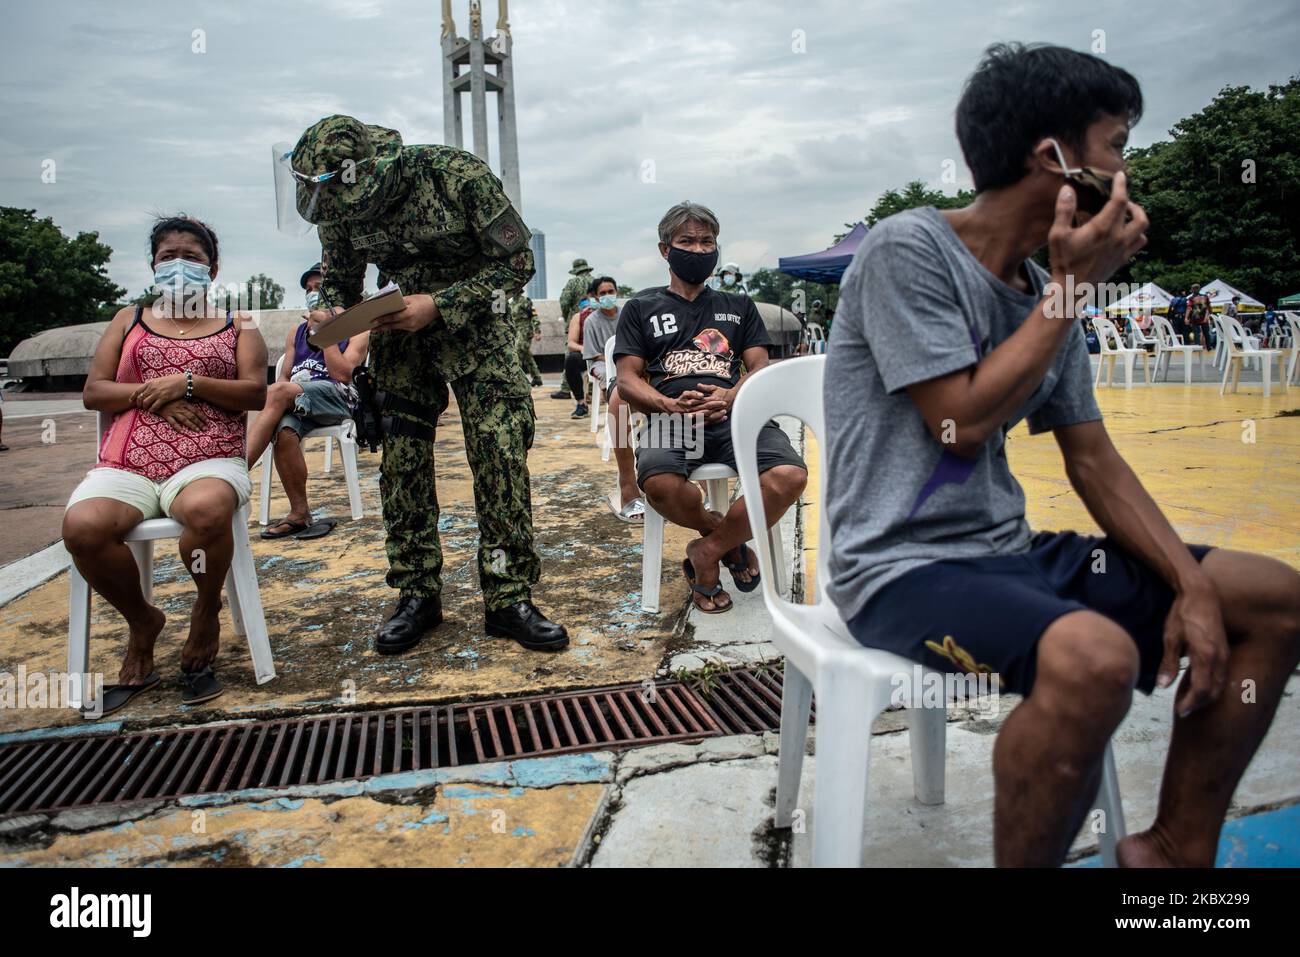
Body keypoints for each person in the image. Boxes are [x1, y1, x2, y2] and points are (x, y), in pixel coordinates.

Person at [823, 42, 1300, 868]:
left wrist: (1189, 585)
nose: (1125, 170)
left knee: (1272, 598)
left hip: (1010, 553)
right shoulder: (908, 250)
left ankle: (1175, 849)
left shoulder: (1043, 282)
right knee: (1096, 657)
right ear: (1055, 157)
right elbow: (960, 424)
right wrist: (1071, 292)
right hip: (897, 566)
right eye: (1115, 146)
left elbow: (1093, 460)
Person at [292, 114, 568, 654]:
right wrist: (330, 313)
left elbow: (515, 263)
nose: (350, 217)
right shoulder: (335, 202)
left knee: (500, 455)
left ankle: (509, 597)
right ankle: (417, 594)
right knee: (401, 465)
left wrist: (441, 304)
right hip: (399, 330)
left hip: (477, 330)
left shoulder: (455, 175)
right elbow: (343, 282)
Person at [62, 215, 268, 715]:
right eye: (167, 257)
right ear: (153, 266)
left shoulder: (240, 324)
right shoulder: (128, 319)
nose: (179, 266)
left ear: (213, 268)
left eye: (191, 257)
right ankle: (142, 622)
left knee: (205, 512)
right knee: (83, 527)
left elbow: (255, 392)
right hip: (128, 460)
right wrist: (156, 394)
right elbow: (95, 391)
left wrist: (190, 383)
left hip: (207, 457)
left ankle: (204, 610)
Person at [615, 201, 808, 613]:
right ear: (666, 250)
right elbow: (627, 380)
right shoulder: (640, 308)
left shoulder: (738, 306)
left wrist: (731, 395)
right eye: (687, 241)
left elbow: (758, 366)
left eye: (708, 242)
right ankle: (724, 538)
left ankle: (708, 551)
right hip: (672, 419)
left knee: (789, 476)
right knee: (662, 485)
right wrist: (669, 405)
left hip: (734, 414)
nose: (699, 250)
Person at [245, 261, 369, 540]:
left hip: (338, 395)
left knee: (277, 393)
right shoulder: (296, 332)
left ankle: (236, 474)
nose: (313, 293)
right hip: (298, 398)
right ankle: (299, 514)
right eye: (308, 289)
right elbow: (284, 376)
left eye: (319, 287)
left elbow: (343, 374)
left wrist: (326, 333)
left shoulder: (359, 327)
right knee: (285, 432)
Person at [581, 276, 643, 522]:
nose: (608, 295)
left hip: (629, 361)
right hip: (602, 363)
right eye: (603, 292)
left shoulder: (627, 314)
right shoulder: (591, 322)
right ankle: (628, 484)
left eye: (611, 290)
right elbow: (592, 353)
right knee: (615, 384)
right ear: (596, 297)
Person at [553, 258, 594, 399]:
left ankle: (566, 388)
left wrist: (567, 317)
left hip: (577, 320)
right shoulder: (595, 282)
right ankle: (592, 390)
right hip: (594, 320)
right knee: (594, 353)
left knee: (570, 355)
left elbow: (564, 301)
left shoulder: (573, 283)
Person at [564, 281, 596, 418]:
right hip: (588, 355)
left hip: (611, 356)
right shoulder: (580, 317)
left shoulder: (617, 315)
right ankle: (581, 403)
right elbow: (571, 344)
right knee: (571, 360)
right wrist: (585, 349)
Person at [511, 293, 544, 388]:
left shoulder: (525, 301)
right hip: (516, 332)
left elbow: (534, 315)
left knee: (517, 351)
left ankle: (516, 378)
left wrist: (537, 331)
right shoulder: (511, 303)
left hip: (525, 331)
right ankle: (537, 377)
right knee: (526, 355)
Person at [1186, 285, 1212, 350]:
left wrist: (1186, 317)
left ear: (1192, 290)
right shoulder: (1205, 297)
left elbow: (1189, 308)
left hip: (1195, 317)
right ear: (1200, 289)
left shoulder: (1191, 298)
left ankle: (1197, 347)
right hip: (1204, 317)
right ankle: (1208, 347)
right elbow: (1209, 307)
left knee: (1196, 333)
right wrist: (1209, 315)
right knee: (1206, 333)